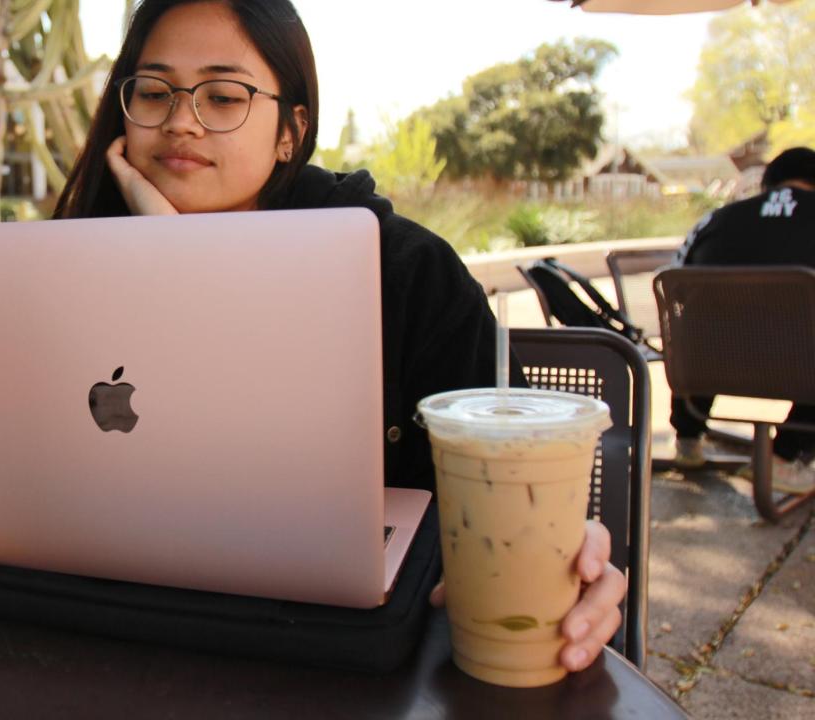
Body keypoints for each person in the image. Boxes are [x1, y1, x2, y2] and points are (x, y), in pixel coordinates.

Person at [54, 0, 626, 673]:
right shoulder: (66, 270)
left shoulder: (408, 272)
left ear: (291, 133)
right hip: (96, 627)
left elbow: (517, 487)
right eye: (154, 92)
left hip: (341, 653)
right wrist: (176, 259)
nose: (181, 119)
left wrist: (569, 552)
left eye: (223, 96)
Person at [670, 147, 815, 494]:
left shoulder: (715, 220)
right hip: (802, 370)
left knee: (705, 319)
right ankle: (785, 456)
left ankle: (687, 439)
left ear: (768, 182)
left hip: (706, 365)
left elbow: (675, 282)